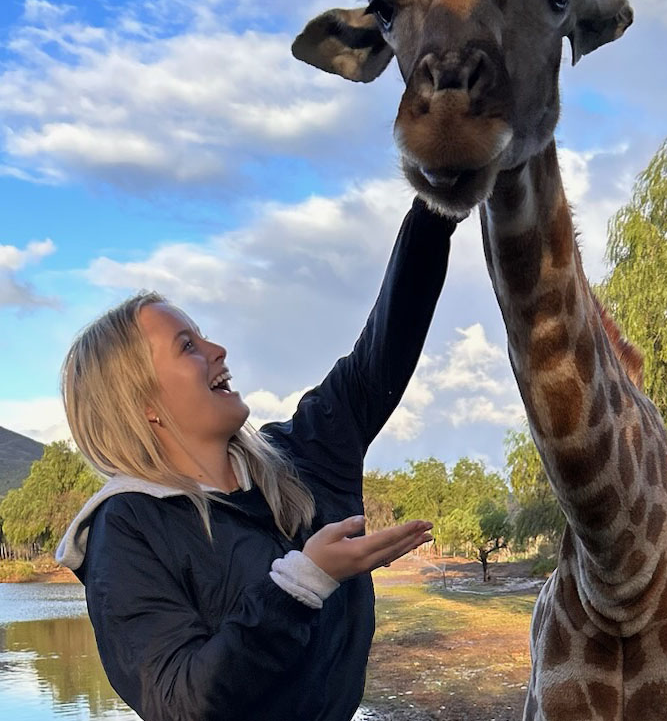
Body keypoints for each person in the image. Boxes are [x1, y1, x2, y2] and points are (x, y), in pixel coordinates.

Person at [56, 197, 458, 721]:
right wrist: (304, 582)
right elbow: (181, 700)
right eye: (187, 346)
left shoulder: (302, 460)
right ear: (144, 405)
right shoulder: (128, 526)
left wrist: (439, 199)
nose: (218, 349)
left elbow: (382, 350)